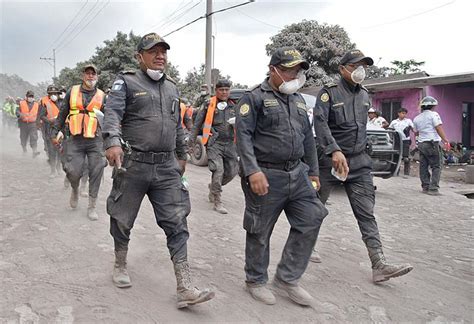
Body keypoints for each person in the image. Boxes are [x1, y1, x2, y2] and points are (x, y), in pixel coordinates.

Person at [102, 32, 214, 308]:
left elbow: (177, 125)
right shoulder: (126, 82)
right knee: (122, 217)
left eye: (164, 51)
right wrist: (113, 142)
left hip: (166, 167)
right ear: (140, 56)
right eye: (154, 51)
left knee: (177, 221)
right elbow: (113, 115)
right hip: (133, 164)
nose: (160, 56)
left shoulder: (172, 87)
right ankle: (120, 262)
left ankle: (185, 286)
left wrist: (181, 153)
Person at [236, 47, 328, 306]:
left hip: (297, 173)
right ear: (272, 69)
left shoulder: (298, 100)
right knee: (259, 229)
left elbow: (307, 139)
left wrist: (313, 171)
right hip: (265, 173)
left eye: (297, 71)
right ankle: (255, 280)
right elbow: (242, 137)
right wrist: (252, 170)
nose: (293, 75)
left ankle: (287, 279)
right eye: (288, 70)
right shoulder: (253, 98)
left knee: (313, 216)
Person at [313, 49, 413, 283]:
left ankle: (379, 264)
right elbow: (320, 124)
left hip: (358, 163)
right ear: (342, 69)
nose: (361, 70)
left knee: (366, 213)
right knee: (315, 208)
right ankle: (307, 246)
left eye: (364, 66)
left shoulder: (364, 96)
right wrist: (335, 149)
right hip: (330, 161)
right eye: (356, 65)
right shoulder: (329, 93)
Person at [54, 64, 106, 221]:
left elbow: (108, 118)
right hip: (75, 139)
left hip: (95, 140)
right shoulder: (73, 91)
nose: (90, 76)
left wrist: (110, 139)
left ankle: (92, 206)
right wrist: (56, 130)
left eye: (93, 73)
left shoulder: (102, 95)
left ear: (97, 76)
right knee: (72, 171)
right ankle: (75, 189)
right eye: (87, 73)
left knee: (96, 171)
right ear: (83, 75)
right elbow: (63, 111)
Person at [191, 79, 238, 214]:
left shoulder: (234, 104)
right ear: (216, 91)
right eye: (221, 90)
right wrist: (191, 142)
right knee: (218, 170)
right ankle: (217, 200)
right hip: (214, 143)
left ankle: (213, 187)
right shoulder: (208, 104)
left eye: (226, 90)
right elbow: (197, 124)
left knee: (232, 171)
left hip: (230, 143)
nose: (224, 92)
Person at [413, 96, 450, 195]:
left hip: (422, 143)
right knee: (436, 166)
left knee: (423, 166)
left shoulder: (417, 118)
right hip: (432, 143)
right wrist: (445, 140)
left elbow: (416, 132)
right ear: (432, 106)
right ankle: (433, 189)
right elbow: (438, 128)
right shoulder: (434, 115)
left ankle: (425, 187)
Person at [38, 85, 62, 176]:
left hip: (60, 130)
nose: (53, 95)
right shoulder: (46, 103)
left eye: (55, 93)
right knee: (52, 151)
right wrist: (49, 121)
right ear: (49, 95)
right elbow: (42, 116)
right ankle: (53, 170)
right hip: (50, 129)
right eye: (51, 94)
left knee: (60, 150)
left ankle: (59, 168)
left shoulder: (62, 103)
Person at [389, 107, 414, 176]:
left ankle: (406, 173)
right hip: (397, 141)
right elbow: (390, 130)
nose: (404, 115)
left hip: (406, 140)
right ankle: (396, 171)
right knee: (396, 156)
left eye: (405, 113)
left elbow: (413, 129)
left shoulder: (408, 121)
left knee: (406, 157)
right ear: (398, 113)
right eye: (402, 113)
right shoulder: (394, 122)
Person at [16, 90, 40, 157]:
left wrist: (39, 122)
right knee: (23, 138)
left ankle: (34, 151)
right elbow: (17, 111)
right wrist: (20, 114)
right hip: (23, 124)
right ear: (26, 97)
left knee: (34, 137)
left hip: (33, 124)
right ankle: (24, 149)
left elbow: (39, 114)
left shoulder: (37, 104)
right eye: (29, 96)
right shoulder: (21, 103)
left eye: (32, 96)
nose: (30, 98)